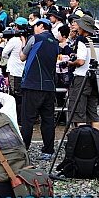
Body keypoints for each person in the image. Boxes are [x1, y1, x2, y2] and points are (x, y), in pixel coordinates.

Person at [19, 18, 59, 160]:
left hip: (33, 85)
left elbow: (22, 56)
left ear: (41, 26)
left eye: (35, 26)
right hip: (49, 86)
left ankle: (23, 150)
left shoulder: (35, 38)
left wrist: (23, 40)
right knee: (48, 120)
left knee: (28, 119)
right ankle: (48, 151)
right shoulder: (55, 42)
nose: (33, 28)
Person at [62, 15, 99, 131]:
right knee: (93, 115)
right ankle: (97, 142)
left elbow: (81, 61)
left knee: (78, 113)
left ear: (84, 28)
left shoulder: (82, 40)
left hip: (82, 78)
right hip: (96, 79)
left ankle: (82, 142)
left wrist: (70, 64)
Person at [2, 17, 27, 123]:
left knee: (16, 95)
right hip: (24, 71)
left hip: (14, 71)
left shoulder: (14, 40)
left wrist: (12, 59)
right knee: (22, 95)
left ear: (16, 27)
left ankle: (19, 120)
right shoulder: (27, 39)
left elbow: (4, 54)